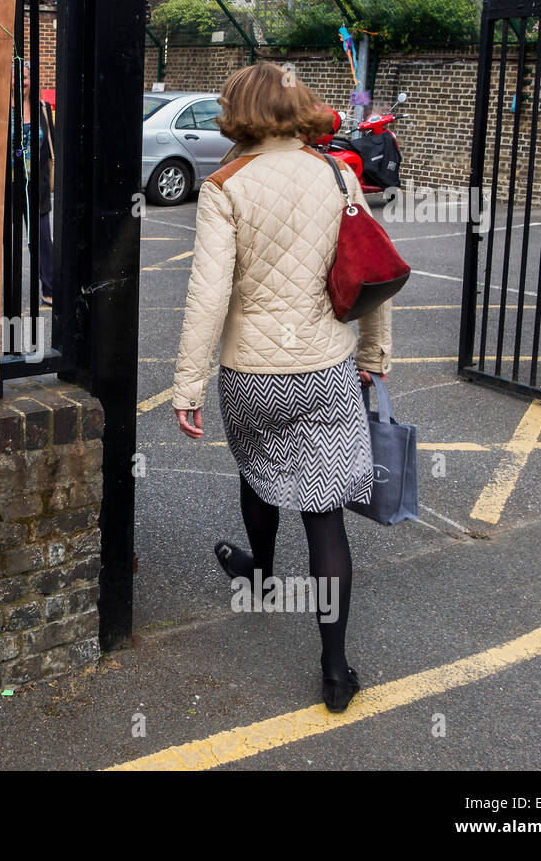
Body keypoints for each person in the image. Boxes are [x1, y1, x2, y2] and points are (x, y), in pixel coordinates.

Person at [170, 61, 392, 713]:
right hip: (326, 370)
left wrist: (187, 387)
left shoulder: (224, 185)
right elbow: (370, 264)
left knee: (258, 467)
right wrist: (375, 352)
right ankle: (333, 671)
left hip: (251, 376)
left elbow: (206, 294)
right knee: (324, 518)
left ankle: (261, 577)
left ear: (239, 111)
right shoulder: (337, 171)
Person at [19, 59, 55, 305]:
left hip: (37, 186)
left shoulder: (42, 108)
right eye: (15, 76)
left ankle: (49, 287)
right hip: (9, 186)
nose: (21, 81)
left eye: (25, 77)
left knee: (42, 238)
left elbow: (53, 143)